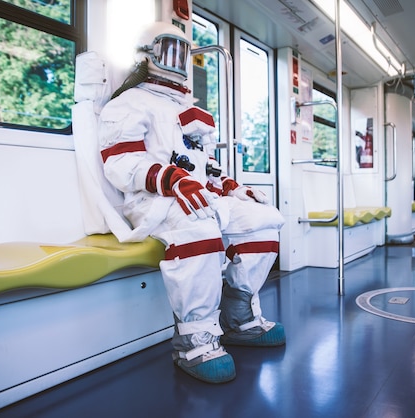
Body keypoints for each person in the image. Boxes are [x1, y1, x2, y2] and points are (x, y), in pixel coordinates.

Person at [98, 21, 285, 384]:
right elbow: (120, 162)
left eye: (184, 52)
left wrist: (231, 187)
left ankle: (239, 316)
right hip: (151, 200)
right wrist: (170, 178)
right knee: (198, 224)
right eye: (170, 49)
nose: (178, 59)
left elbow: (203, 164)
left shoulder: (187, 107)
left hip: (196, 195)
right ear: (147, 55)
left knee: (265, 218)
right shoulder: (130, 103)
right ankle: (193, 339)